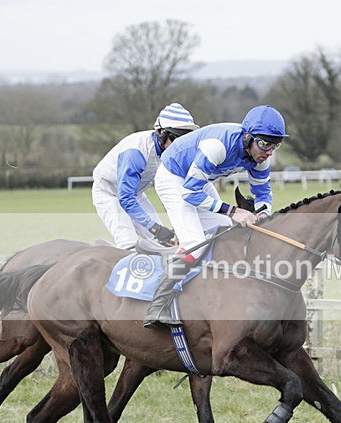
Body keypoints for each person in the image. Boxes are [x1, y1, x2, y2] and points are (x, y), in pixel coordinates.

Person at [143, 104, 288, 328]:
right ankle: (158, 305)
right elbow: (190, 192)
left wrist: (263, 213)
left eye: (274, 145)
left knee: (225, 233)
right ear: (247, 137)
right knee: (196, 242)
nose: (269, 151)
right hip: (174, 178)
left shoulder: (261, 157)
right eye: (264, 144)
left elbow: (262, 193)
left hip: (198, 180)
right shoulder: (218, 147)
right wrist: (233, 210)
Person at [91, 103, 199, 249]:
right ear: (161, 132)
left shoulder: (169, 151)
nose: (179, 144)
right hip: (109, 194)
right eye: (176, 138)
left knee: (161, 243)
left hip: (136, 194)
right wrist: (155, 229)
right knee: (128, 243)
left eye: (185, 139)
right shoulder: (135, 153)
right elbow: (126, 199)